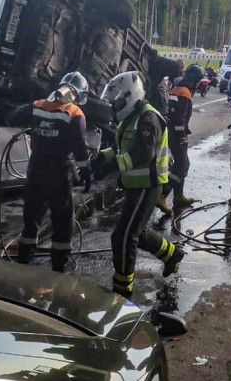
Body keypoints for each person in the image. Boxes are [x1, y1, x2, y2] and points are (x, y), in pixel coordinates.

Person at [92, 71, 184, 299]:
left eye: (118, 101)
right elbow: (119, 148)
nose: (115, 105)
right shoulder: (132, 116)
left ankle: (122, 290)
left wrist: (112, 167)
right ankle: (172, 255)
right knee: (139, 233)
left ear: (130, 95)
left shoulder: (147, 119)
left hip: (147, 184)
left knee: (124, 236)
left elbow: (143, 152)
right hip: (137, 185)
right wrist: (100, 158)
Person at [10, 72, 90, 273]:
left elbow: (13, 116)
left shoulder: (38, 106)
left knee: (31, 219)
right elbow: (80, 147)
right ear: (78, 95)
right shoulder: (74, 113)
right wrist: (86, 170)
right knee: (62, 222)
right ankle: (58, 267)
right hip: (59, 173)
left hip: (35, 171)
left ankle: (24, 261)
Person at [157, 63, 204, 214]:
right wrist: (182, 137)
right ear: (194, 81)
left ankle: (178, 196)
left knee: (180, 163)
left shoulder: (177, 87)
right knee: (182, 166)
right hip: (177, 135)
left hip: (170, 132)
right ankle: (163, 195)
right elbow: (179, 118)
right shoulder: (185, 93)